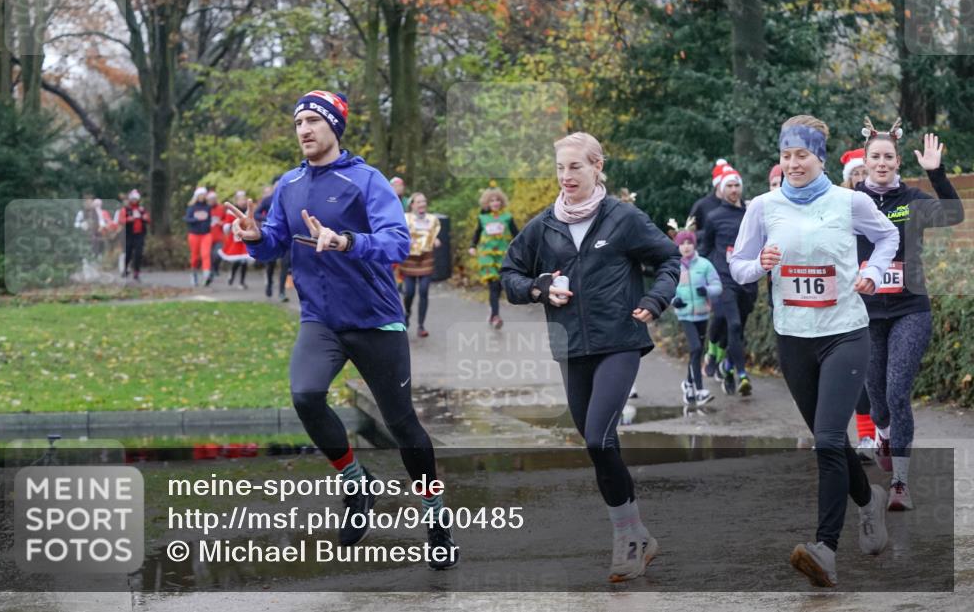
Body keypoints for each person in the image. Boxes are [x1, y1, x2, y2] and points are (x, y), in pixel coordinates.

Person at [224, 89, 458, 569]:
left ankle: (435, 517)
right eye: (298, 123)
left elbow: (397, 243)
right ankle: (358, 484)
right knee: (306, 394)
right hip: (321, 320)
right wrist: (255, 238)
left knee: (402, 424)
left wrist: (346, 240)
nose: (304, 130)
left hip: (376, 320)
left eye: (313, 120)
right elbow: (275, 243)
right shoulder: (288, 184)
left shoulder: (366, 181)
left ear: (335, 126)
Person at [501, 132, 680, 583]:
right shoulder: (544, 225)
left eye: (575, 167)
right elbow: (509, 274)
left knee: (600, 438)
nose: (566, 177)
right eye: (560, 168)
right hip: (570, 347)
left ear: (597, 166)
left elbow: (669, 260)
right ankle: (635, 533)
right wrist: (539, 288)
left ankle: (628, 539)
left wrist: (655, 300)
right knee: (597, 444)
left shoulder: (623, 218)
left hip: (620, 340)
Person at [730, 114, 898, 587]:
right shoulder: (763, 207)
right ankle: (869, 502)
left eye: (801, 155)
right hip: (793, 337)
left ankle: (825, 549)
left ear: (819, 157)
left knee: (826, 441)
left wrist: (875, 272)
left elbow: (888, 236)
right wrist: (757, 265)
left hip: (845, 332)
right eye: (786, 156)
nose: (792, 163)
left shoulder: (850, 201)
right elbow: (739, 266)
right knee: (831, 442)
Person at [856, 118, 964, 510]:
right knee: (878, 400)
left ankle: (900, 483)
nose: (882, 163)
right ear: (865, 161)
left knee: (898, 392)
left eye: (888, 157)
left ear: (898, 161)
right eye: (875, 157)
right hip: (866, 313)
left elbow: (954, 215)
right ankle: (882, 433)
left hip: (909, 309)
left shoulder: (912, 200)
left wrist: (935, 172)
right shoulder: (851, 202)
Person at [835, 147, 878, 462]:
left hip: (885, 294)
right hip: (850, 292)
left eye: (865, 172)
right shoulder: (840, 208)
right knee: (855, 369)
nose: (861, 179)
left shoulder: (889, 203)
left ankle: (876, 433)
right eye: (856, 175)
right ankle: (860, 435)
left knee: (877, 371)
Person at [700, 168, 757, 396]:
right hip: (724, 278)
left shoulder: (751, 213)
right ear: (721, 190)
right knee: (731, 323)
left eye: (736, 186)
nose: (733, 190)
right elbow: (705, 249)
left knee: (738, 329)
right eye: (729, 186)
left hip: (748, 279)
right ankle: (740, 373)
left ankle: (726, 364)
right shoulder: (714, 217)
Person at [670, 230, 721, 406]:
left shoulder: (704, 265)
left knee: (696, 351)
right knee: (697, 348)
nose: (686, 246)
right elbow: (667, 288)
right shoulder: (673, 266)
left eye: (689, 243)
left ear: (694, 245)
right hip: (685, 314)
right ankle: (699, 390)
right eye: (682, 243)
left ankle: (688, 384)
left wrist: (707, 290)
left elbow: (717, 286)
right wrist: (673, 300)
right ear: (678, 246)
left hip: (702, 314)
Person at [468, 183, 519, 329]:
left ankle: (492, 310)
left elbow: (517, 235)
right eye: (492, 201)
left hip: (503, 255)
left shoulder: (507, 217)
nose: (495, 203)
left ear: (501, 202)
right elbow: (477, 234)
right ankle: (496, 316)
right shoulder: (482, 218)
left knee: (501, 285)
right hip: (487, 257)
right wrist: (472, 246)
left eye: (497, 200)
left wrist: (520, 250)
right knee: (494, 286)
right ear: (487, 203)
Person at [400, 192, 441, 337]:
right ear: (412, 205)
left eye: (424, 201)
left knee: (424, 291)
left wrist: (436, 240)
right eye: (418, 202)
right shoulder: (405, 218)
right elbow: (399, 234)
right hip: (409, 261)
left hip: (426, 260)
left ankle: (421, 326)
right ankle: (407, 314)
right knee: (409, 292)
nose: (422, 204)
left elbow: (434, 234)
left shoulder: (432, 219)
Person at [256, 178, 290, 301]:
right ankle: (269, 283)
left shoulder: (290, 199)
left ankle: (281, 292)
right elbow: (256, 214)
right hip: (272, 236)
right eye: (277, 186)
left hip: (287, 237)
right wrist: (267, 219)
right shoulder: (267, 200)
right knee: (271, 263)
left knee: (285, 265)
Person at [219, 190, 252, 289]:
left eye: (244, 199)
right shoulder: (231, 211)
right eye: (240, 200)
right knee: (237, 261)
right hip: (236, 239)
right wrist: (231, 228)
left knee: (245, 261)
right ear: (237, 201)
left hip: (246, 238)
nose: (242, 202)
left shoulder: (248, 211)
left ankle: (242, 282)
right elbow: (227, 224)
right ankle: (232, 276)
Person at [184, 186, 214, 286]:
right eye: (201, 195)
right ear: (197, 196)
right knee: (195, 257)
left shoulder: (208, 207)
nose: (202, 197)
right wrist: (196, 219)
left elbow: (209, 220)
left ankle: (206, 275)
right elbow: (187, 219)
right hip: (194, 234)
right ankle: (194, 275)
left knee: (206, 254)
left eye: (204, 195)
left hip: (206, 234)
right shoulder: (192, 207)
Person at [117, 189, 150, 281]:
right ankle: (125, 268)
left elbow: (148, 219)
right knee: (128, 253)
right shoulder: (125, 210)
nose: (134, 201)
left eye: (136, 199)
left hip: (140, 234)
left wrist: (145, 218)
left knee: (138, 253)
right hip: (129, 234)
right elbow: (121, 220)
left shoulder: (142, 209)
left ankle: (136, 272)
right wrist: (129, 219)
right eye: (133, 199)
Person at [207, 191, 226, 279]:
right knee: (210, 255)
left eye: (214, 199)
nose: (212, 201)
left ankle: (216, 268)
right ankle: (211, 270)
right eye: (210, 199)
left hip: (219, 236)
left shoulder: (221, 208)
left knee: (217, 254)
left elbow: (226, 220)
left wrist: (221, 223)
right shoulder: (206, 209)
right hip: (207, 236)